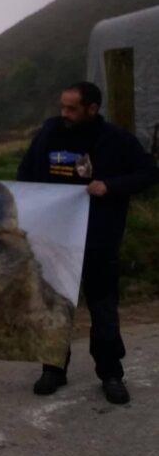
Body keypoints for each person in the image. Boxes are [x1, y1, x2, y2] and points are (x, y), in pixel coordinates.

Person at [17, 81, 157, 404]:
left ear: (92, 109)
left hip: (99, 241)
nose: (64, 113)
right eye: (62, 107)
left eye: (72, 108)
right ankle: (53, 368)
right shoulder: (48, 136)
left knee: (103, 308)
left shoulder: (116, 140)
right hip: (55, 240)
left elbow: (149, 173)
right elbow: (25, 174)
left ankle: (110, 373)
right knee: (54, 306)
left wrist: (110, 185)